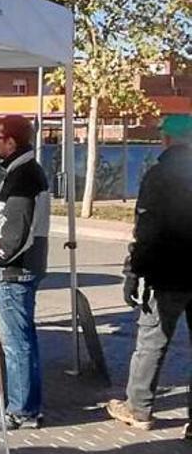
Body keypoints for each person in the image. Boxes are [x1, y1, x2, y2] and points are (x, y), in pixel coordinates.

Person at [106, 114, 192, 442]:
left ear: (167, 140)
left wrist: (133, 272)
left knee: (152, 342)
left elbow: (146, 230)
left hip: (166, 272)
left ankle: (139, 408)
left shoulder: (158, 175)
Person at [0, 115, 50, 430]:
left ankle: (20, 410)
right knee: (24, 341)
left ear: (11, 142)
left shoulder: (24, 176)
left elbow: (16, 233)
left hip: (16, 270)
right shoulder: (22, 171)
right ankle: (28, 407)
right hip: (23, 267)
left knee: (16, 343)